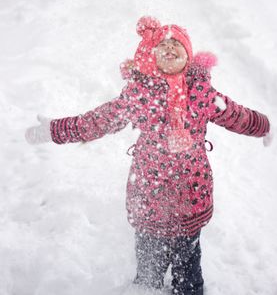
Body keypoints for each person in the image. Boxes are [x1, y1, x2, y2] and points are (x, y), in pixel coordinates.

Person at [26, 16, 272, 295]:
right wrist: (55, 130)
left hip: (191, 198)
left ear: (188, 56)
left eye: (176, 45)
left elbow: (236, 115)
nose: (169, 49)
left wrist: (264, 126)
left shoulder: (202, 93)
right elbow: (97, 121)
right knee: (148, 272)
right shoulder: (139, 94)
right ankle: (148, 286)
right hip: (149, 200)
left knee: (189, 271)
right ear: (151, 56)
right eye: (162, 45)